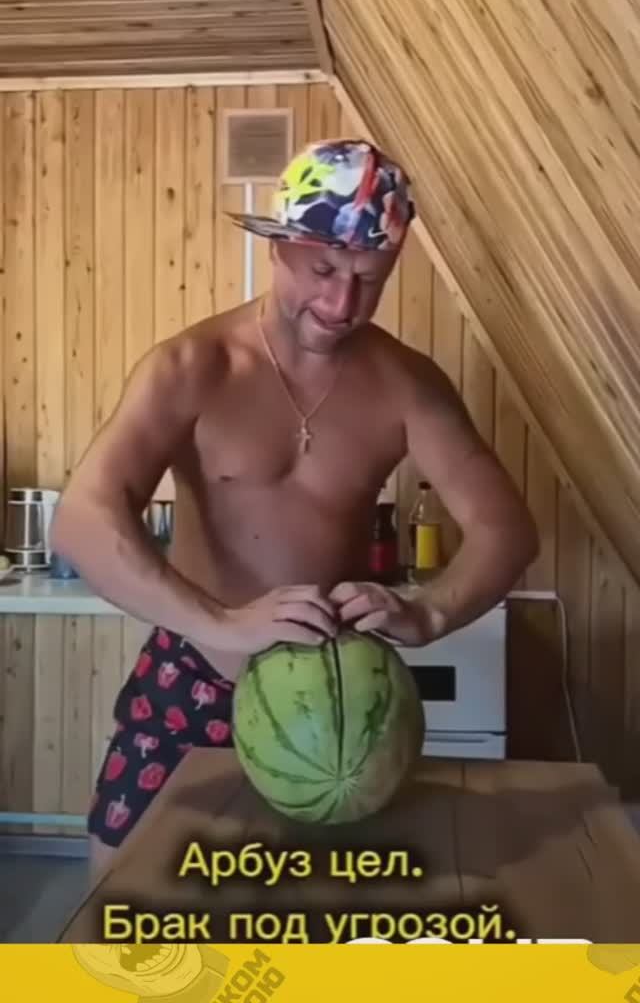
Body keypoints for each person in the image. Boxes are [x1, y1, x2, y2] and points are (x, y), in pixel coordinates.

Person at [50, 138, 539, 878]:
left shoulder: (407, 384)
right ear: (279, 247)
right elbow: (83, 519)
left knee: (315, 904)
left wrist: (430, 614)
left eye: (368, 281)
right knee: (124, 891)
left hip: (338, 706)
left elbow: (507, 530)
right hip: (194, 673)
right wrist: (221, 622)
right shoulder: (191, 367)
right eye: (324, 271)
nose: (342, 306)